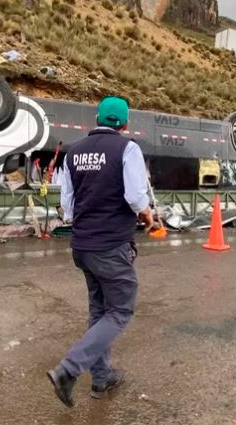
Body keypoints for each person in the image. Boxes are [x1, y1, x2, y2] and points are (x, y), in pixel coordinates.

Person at [47, 96, 154, 408]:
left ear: (96, 119)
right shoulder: (127, 148)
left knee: (99, 311)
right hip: (110, 246)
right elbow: (136, 197)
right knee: (120, 310)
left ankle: (102, 377)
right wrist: (147, 214)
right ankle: (69, 369)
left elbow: (67, 206)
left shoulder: (74, 152)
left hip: (82, 246)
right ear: (124, 122)